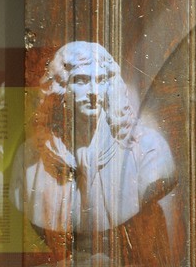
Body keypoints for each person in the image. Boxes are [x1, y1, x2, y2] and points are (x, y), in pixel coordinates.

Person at [10, 41, 176, 239]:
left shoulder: (148, 150)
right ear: (60, 88)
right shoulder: (30, 158)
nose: (94, 92)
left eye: (100, 80)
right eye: (81, 81)